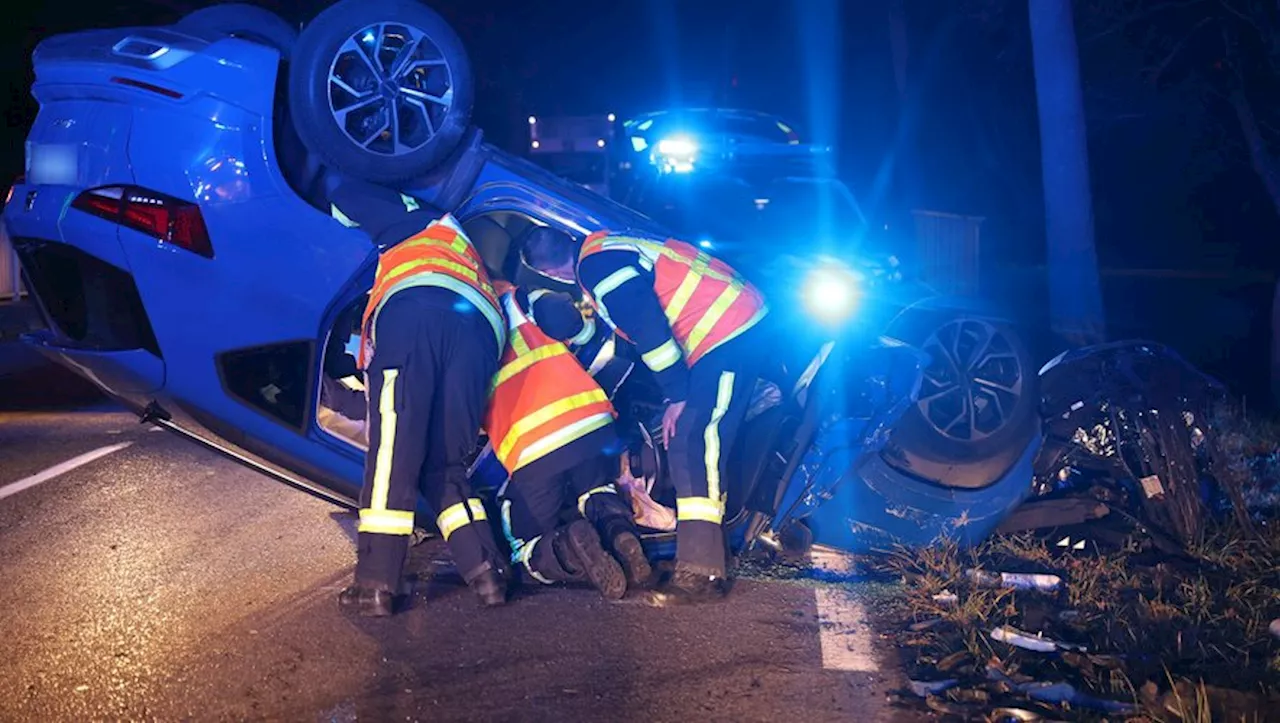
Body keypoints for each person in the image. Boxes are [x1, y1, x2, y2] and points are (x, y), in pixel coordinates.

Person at [522, 227, 768, 605]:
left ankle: (701, 571)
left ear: (552, 275)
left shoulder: (597, 267)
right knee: (692, 440)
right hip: (731, 322)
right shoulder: (602, 244)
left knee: (694, 439)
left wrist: (676, 395)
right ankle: (704, 561)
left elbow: (649, 328)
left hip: (724, 331)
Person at [336, 196, 511, 617]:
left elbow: (343, 194)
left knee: (393, 455)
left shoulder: (412, 216)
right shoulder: (459, 246)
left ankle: (376, 582)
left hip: (418, 312)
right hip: (480, 333)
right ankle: (487, 571)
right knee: (445, 467)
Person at [485, 281, 651, 598]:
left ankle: (570, 548)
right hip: (590, 421)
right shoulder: (518, 297)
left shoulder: (460, 323)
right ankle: (621, 535)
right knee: (596, 490)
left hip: (533, 443)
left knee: (524, 548)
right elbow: (570, 321)